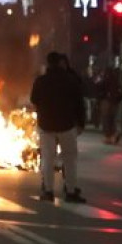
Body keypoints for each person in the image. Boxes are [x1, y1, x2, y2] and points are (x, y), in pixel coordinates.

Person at [31, 52, 86, 203]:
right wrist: (81, 123)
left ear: (48, 63)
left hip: (46, 124)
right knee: (69, 158)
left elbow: (34, 99)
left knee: (48, 158)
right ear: (61, 63)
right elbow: (79, 103)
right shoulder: (71, 80)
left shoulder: (41, 81)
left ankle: (48, 191)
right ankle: (70, 191)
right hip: (67, 125)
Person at [95, 58, 122, 144]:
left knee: (106, 119)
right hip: (115, 102)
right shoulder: (115, 80)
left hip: (106, 101)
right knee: (112, 118)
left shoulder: (104, 79)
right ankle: (114, 134)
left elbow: (99, 88)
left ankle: (109, 136)